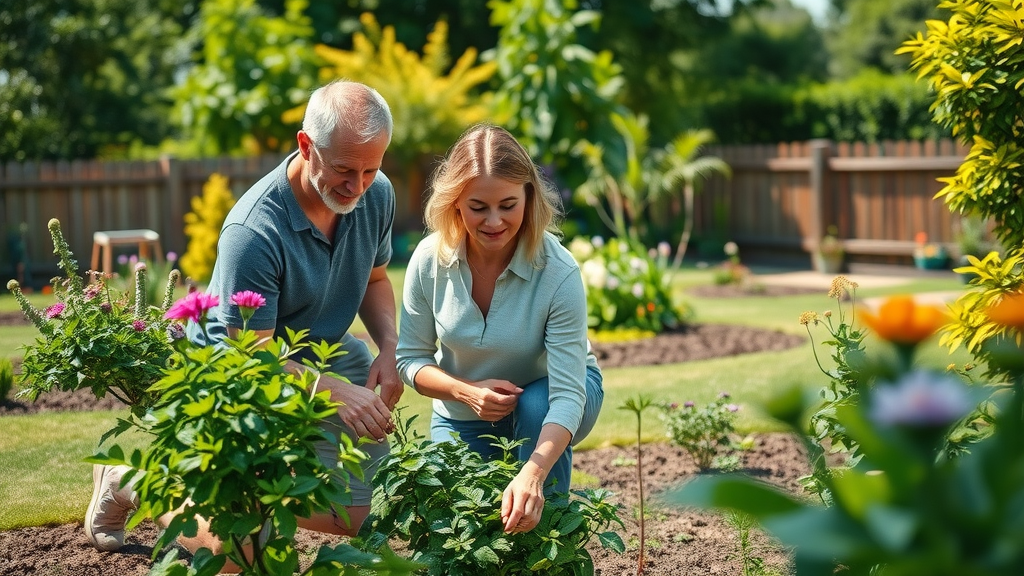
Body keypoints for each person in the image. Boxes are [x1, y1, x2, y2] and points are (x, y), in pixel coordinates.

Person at [85, 80, 402, 558]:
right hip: (232, 381)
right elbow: (249, 355)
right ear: (305, 146)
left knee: (376, 512)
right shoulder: (254, 230)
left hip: (321, 356)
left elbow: (376, 279)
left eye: (370, 169)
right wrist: (334, 391)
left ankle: (263, 511)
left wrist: (390, 347)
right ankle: (134, 479)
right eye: (343, 170)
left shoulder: (375, 194)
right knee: (237, 553)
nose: (358, 186)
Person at [395, 124, 604, 535]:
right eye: (478, 207)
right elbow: (411, 358)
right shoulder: (428, 261)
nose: (494, 221)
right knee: (461, 528)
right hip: (464, 410)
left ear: (529, 197)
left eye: (508, 204)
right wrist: (466, 392)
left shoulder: (558, 272)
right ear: (455, 203)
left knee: (533, 415)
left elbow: (565, 395)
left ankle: (552, 544)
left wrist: (533, 473)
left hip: (558, 396)